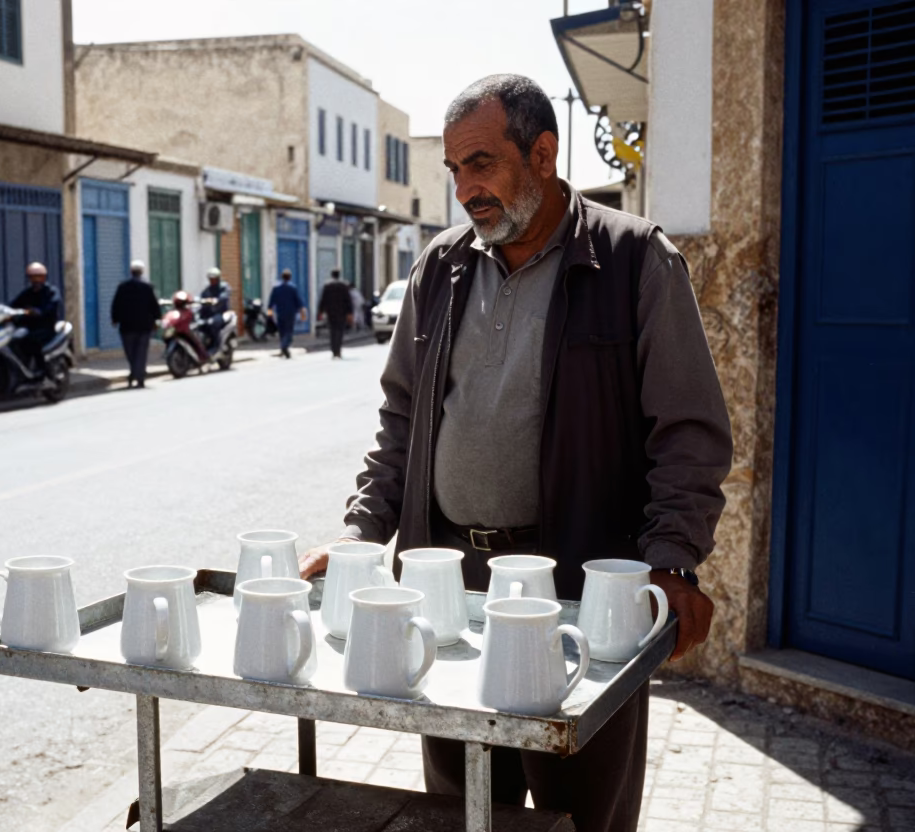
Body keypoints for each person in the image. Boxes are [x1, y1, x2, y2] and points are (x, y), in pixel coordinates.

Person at [298, 74, 732, 832]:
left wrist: (673, 561)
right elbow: (401, 417)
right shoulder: (441, 264)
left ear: (543, 152)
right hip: (449, 597)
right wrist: (363, 533)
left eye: (482, 164)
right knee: (462, 808)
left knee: (583, 811)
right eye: (456, 170)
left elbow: (688, 429)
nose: (466, 189)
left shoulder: (633, 259)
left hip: (579, 595)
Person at [111, 259, 161, 389]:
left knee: (131, 352)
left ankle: (135, 374)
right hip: (144, 326)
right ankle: (138, 376)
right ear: (142, 271)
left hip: (127, 326)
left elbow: (116, 305)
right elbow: (154, 306)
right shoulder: (148, 286)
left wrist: (115, 319)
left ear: (131, 271)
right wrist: (157, 320)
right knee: (141, 352)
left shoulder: (122, 286)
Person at [9, 261, 61, 373]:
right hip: (28, 326)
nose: (36, 280)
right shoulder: (27, 293)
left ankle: (41, 371)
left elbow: (52, 306)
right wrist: (5, 311)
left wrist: (38, 311)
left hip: (45, 327)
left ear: (44, 277)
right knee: (13, 339)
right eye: (33, 277)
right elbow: (14, 304)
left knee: (30, 341)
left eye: (39, 277)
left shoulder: (51, 292)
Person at [267, 268, 306, 359]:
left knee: (282, 331)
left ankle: (283, 347)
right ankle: (284, 346)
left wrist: (269, 314)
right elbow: (298, 301)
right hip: (290, 313)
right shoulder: (293, 288)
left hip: (280, 313)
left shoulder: (276, 288)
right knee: (289, 331)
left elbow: (271, 303)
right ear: (290, 278)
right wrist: (303, 313)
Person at [317, 268, 353, 359]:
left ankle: (334, 350)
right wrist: (350, 313)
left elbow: (323, 300)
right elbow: (348, 300)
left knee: (332, 331)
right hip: (341, 312)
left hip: (331, 312)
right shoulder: (343, 286)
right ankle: (338, 350)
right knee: (339, 332)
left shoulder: (327, 286)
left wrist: (320, 311)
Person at [199, 267, 231, 355]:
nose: (212, 281)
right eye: (211, 279)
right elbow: (201, 298)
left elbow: (225, 296)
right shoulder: (207, 290)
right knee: (198, 324)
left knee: (214, 324)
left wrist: (217, 300)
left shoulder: (223, 287)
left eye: (214, 279)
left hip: (220, 313)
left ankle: (216, 346)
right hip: (208, 314)